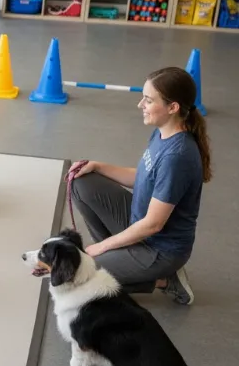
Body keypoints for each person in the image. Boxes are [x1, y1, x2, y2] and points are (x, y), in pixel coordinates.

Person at [68, 66, 212, 306]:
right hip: (140, 223)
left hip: (159, 249)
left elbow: (154, 224)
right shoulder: (163, 132)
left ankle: (165, 280)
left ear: (172, 107)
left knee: (79, 276)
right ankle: (119, 258)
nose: (140, 105)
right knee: (81, 183)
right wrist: (98, 166)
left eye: (148, 100)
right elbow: (143, 177)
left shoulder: (177, 156)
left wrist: (101, 247)